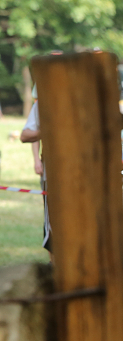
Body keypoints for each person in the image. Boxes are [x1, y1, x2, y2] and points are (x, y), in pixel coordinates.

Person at [20, 87, 51, 255]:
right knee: (53, 224)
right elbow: (27, 135)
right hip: (52, 172)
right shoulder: (41, 105)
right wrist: (36, 160)